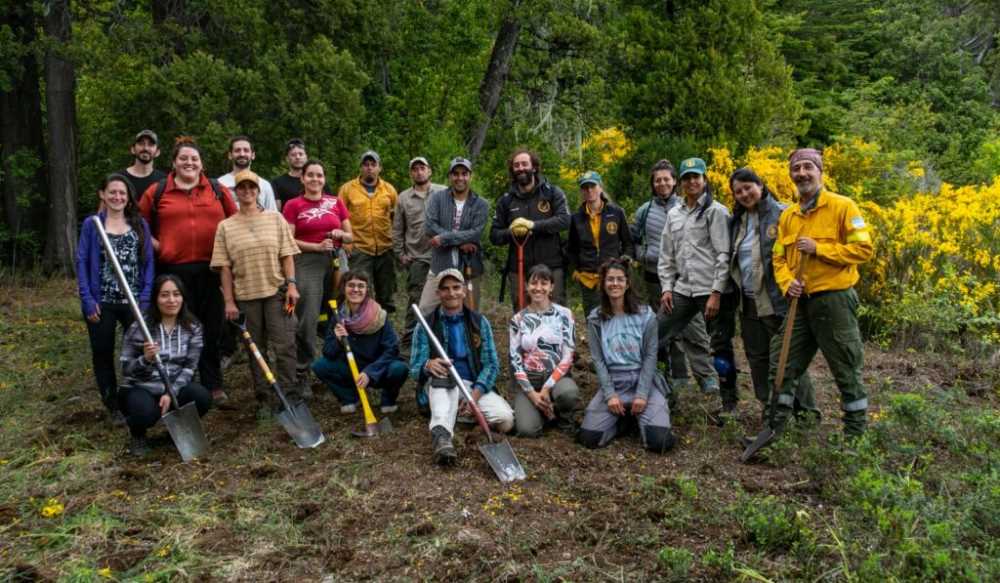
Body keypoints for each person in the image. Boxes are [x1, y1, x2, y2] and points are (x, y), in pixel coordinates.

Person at [766, 148, 874, 438]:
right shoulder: (788, 216)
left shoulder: (843, 207)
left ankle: (855, 438)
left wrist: (820, 249)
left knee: (846, 366)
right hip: (799, 303)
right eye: (796, 169)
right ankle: (775, 431)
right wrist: (788, 282)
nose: (801, 173)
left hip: (833, 301)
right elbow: (777, 257)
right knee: (781, 362)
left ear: (820, 172)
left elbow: (864, 249)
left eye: (807, 167)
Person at [138, 137, 237, 405]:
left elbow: (235, 222)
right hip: (174, 271)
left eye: (194, 158)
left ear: (201, 163)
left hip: (213, 269)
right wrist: (158, 246)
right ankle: (184, 385)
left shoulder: (216, 190)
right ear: (173, 162)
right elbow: (139, 224)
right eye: (183, 158)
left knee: (212, 327)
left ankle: (213, 384)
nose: (189, 163)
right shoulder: (157, 191)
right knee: (181, 327)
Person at [728, 168, 818, 422]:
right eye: (739, 191)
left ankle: (807, 413)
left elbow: (796, 254)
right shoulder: (738, 221)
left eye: (748, 187)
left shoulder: (783, 213)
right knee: (757, 357)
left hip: (776, 299)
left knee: (787, 358)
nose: (745, 194)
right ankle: (770, 411)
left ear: (760, 184)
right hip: (748, 300)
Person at [211, 170, 301, 419]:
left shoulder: (276, 219)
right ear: (236, 192)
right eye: (242, 188)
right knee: (255, 349)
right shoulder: (226, 227)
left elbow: (287, 255)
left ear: (258, 191)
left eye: (252, 187)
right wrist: (229, 301)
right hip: (246, 297)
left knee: (285, 345)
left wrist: (292, 285)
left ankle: (289, 395)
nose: (247, 191)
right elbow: (224, 268)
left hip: (276, 292)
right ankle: (264, 398)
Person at [656, 157, 738, 414]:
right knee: (655, 335)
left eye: (696, 177)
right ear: (680, 182)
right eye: (687, 177)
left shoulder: (717, 211)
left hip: (710, 290)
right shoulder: (674, 214)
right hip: (682, 288)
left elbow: (724, 254)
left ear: (704, 180)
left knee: (720, 346)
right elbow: (666, 255)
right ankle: (662, 391)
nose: (692, 181)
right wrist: (667, 288)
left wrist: (716, 293)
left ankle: (729, 404)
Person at [410, 269, 514, 465]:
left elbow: (492, 365)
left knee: (505, 420)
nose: (451, 293)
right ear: (438, 293)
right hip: (441, 384)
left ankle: (458, 414)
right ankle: (442, 439)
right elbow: (414, 369)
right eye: (445, 289)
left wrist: (474, 396)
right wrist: (428, 364)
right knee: (442, 384)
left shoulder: (478, 322)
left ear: (464, 291)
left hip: (472, 386)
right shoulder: (425, 324)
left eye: (456, 287)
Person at [76, 174, 155, 424]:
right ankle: (112, 405)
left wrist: (145, 296)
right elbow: (81, 261)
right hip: (102, 302)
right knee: (103, 352)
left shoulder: (139, 224)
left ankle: (140, 399)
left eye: (122, 193)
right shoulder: (92, 224)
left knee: (140, 351)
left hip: (133, 301)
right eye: (112, 192)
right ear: (103, 194)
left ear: (129, 197)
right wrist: (87, 299)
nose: (117, 197)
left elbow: (149, 261)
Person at [631, 160, 714, 393]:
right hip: (653, 278)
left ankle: (707, 378)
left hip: (683, 279)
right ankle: (674, 374)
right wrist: (642, 255)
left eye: (667, 179)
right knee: (664, 329)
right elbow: (634, 238)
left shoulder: (685, 206)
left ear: (674, 181)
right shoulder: (644, 211)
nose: (662, 183)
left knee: (693, 328)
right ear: (652, 184)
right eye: (658, 180)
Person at [577, 259, 675, 452]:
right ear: (603, 284)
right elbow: (598, 359)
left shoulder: (646, 315)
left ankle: (647, 416)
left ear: (627, 283)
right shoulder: (596, 318)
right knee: (588, 438)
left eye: (620, 279)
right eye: (610, 279)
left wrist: (641, 394)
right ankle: (624, 420)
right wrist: (610, 394)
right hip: (614, 382)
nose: (615, 284)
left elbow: (650, 356)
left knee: (660, 442)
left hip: (643, 381)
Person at [119, 275, 213, 456]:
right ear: (156, 299)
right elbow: (126, 369)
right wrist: (145, 359)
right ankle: (138, 434)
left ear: (183, 298)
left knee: (202, 397)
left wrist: (171, 392)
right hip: (141, 388)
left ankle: (174, 432)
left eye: (176, 294)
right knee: (144, 413)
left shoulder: (193, 328)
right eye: (164, 295)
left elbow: (189, 368)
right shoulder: (140, 328)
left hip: (175, 386)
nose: (171, 300)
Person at [282, 160, 353, 395]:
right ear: (302, 179)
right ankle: (303, 371)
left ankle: (341, 362)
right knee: (307, 316)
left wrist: (341, 234)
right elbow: (288, 241)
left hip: (335, 259)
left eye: (319, 176)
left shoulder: (336, 202)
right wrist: (315, 246)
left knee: (342, 311)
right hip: (307, 261)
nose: (315, 179)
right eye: (310, 175)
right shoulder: (293, 205)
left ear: (324, 179)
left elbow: (350, 237)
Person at [312, 270, 408, 414]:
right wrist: (338, 341)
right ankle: (350, 398)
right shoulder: (338, 316)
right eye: (351, 285)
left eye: (360, 286)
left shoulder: (379, 315)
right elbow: (328, 353)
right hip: (351, 369)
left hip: (378, 369)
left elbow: (392, 350)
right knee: (320, 366)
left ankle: (388, 400)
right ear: (344, 288)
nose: (355, 290)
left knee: (399, 368)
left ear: (367, 290)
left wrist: (370, 373)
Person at [489, 148, 571, 307]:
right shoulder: (506, 201)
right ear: (512, 170)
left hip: (551, 266)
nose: (520, 168)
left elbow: (565, 220)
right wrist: (510, 232)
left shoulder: (552, 193)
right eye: (516, 165)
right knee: (522, 317)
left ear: (534, 167)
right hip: (519, 269)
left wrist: (533, 226)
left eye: (524, 164)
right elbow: (494, 235)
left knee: (556, 314)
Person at [509, 265, 579, 437]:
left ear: (551, 287)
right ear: (526, 286)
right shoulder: (518, 319)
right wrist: (532, 394)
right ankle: (543, 411)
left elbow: (568, 356)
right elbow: (515, 361)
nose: (538, 288)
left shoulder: (565, 314)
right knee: (526, 430)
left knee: (568, 394)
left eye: (544, 283)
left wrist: (547, 388)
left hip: (557, 378)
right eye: (533, 283)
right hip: (529, 382)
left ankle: (562, 415)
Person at [417, 157, 488, 312]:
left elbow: (475, 234)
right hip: (440, 264)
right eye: (455, 174)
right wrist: (460, 240)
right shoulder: (437, 198)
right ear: (450, 176)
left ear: (470, 176)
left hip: (469, 267)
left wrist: (444, 238)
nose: (460, 178)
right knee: (425, 310)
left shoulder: (481, 204)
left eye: (464, 174)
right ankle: (432, 337)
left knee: (470, 313)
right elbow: (429, 227)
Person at [338, 150, 399, 312]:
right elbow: (339, 218)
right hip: (359, 249)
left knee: (386, 293)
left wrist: (395, 242)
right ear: (360, 168)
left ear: (379, 168)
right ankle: (361, 323)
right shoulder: (347, 189)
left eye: (373, 164)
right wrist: (345, 243)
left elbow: (396, 218)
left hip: (385, 248)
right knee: (361, 290)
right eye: (366, 165)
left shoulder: (389, 190)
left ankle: (384, 324)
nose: (369, 168)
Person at [393, 156, 443, 347]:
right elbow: (397, 229)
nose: (419, 172)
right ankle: (408, 344)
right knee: (415, 301)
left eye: (422, 168)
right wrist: (400, 254)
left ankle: (437, 342)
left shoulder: (442, 192)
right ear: (411, 173)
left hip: (442, 256)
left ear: (429, 171)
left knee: (443, 298)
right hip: (417, 258)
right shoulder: (403, 198)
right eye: (415, 169)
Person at [568, 171, 633, 317]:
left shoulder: (616, 212)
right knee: (593, 318)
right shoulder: (576, 218)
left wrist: (625, 260)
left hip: (612, 276)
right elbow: (571, 248)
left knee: (616, 316)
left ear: (600, 188)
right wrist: (575, 271)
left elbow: (628, 243)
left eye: (592, 186)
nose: (589, 190)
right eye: (585, 187)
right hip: (588, 279)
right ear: (582, 192)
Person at [218, 136, 277, 211]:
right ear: (230, 155)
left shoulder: (264, 185)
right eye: (237, 150)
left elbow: (272, 215)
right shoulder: (220, 184)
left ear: (253, 155)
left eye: (246, 150)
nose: (242, 154)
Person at [121, 130, 166, 202]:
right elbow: (103, 211)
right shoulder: (119, 178)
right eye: (141, 144)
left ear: (157, 152)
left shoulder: (164, 181)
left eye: (150, 145)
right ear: (133, 149)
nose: (145, 148)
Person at [271, 138, 309, 210]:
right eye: (293, 155)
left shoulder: (316, 181)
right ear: (287, 159)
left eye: (301, 154)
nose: (297, 157)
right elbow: (276, 211)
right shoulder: (277, 183)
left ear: (306, 157)